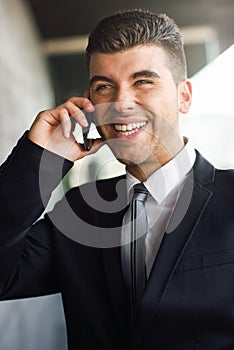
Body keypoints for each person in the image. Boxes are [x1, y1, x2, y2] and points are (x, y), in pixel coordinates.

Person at [1, 8, 234, 350]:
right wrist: (39, 158)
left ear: (183, 97)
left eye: (143, 81)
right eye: (104, 87)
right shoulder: (79, 211)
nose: (121, 103)